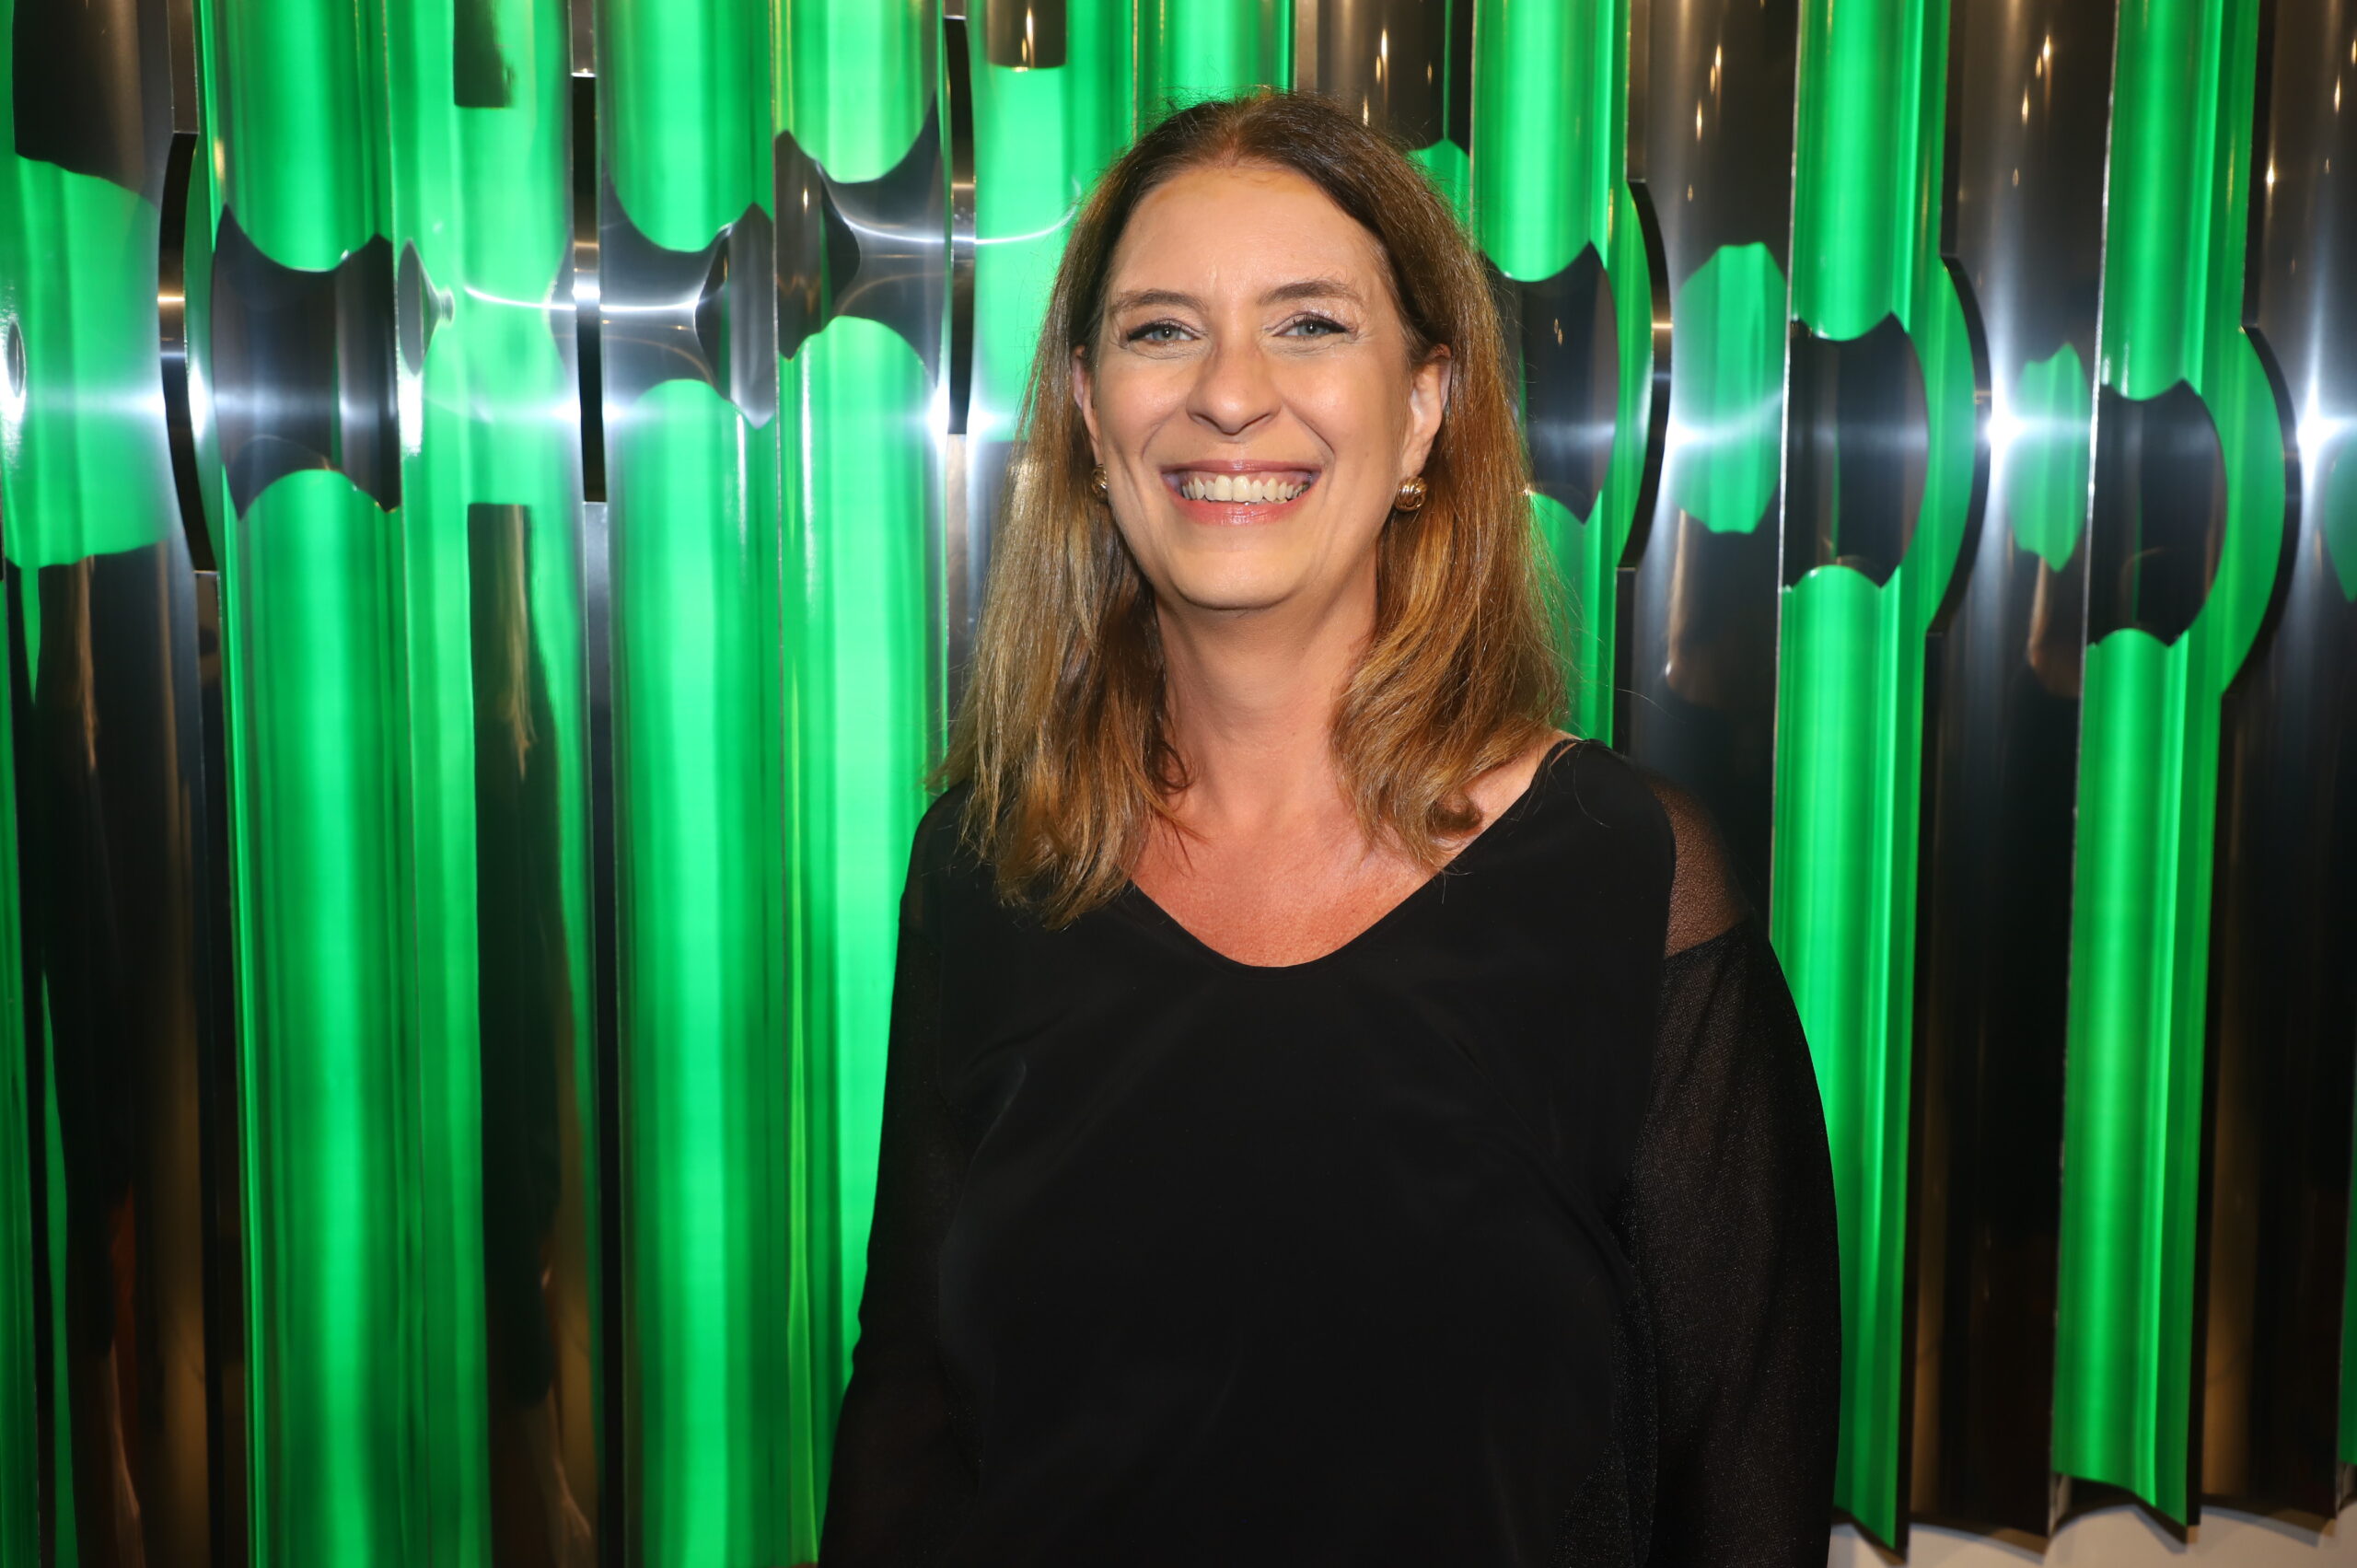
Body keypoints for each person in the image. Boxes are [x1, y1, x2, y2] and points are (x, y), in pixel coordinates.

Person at [819, 90, 1839, 1566]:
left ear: (1423, 409)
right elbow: (910, 1420)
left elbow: (1746, 1485)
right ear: (1091, 413)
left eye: (1308, 324)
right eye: (1162, 330)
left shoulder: (1632, 882)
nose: (1231, 394)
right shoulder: (988, 866)